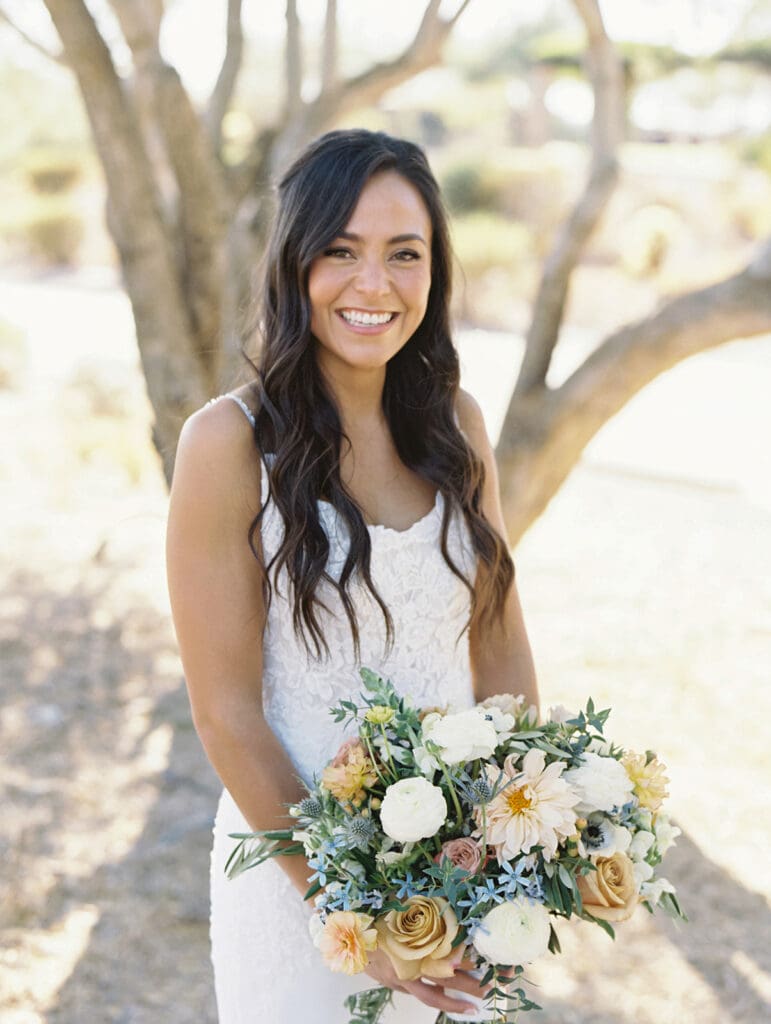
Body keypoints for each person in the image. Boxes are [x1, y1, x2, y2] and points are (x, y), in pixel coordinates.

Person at [165, 128, 540, 1023]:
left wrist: (522, 845)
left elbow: (500, 646)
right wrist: (353, 912)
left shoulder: (457, 425)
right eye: (341, 251)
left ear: (433, 274)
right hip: (297, 891)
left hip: (458, 884)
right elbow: (226, 712)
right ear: (294, 265)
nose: (373, 284)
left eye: (402, 255)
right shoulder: (225, 443)